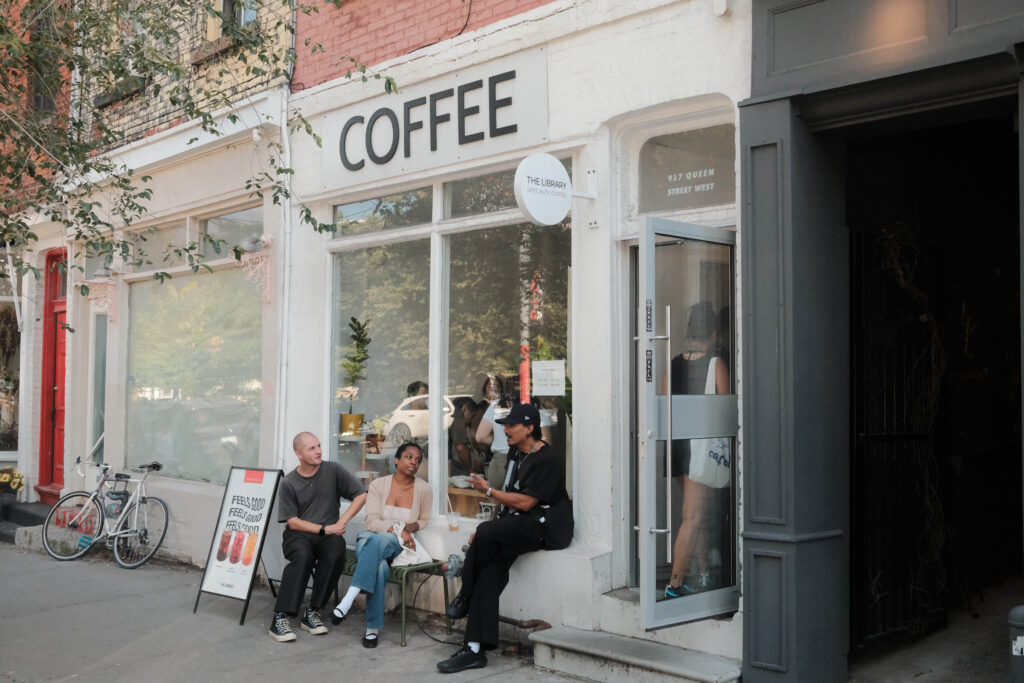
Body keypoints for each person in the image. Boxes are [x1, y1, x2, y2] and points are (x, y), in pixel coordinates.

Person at [436, 403, 569, 674]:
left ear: (530, 428)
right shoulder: (514, 452)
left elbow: (525, 502)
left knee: (485, 536)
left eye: (511, 425)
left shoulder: (547, 459)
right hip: (518, 523)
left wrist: (488, 494)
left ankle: (464, 595)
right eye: (504, 425)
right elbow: (508, 496)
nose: (505, 430)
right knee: (489, 570)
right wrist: (492, 525)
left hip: (546, 528)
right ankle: (474, 649)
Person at [330, 442, 432, 647]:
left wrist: (407, 528)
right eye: (409, 457)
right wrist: (399, 528)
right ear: (396, 459)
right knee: (380, 565)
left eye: (418, 460)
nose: (414, 462)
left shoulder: (423, 489)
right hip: (369, 539)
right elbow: (372, 522)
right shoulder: (378, 485)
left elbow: (424, 520)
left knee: (385, 539)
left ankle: (348, 600)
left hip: (395, 545)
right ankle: (371, 629)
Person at [268, 432, 367, 642]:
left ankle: (313, 611)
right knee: (302, 557)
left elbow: (361, 495)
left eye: (319, 446)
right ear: (299, 454)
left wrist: (341, 523)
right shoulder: (289, 483)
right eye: (312, 448)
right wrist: (325, 529)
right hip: (298, 536)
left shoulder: (333, 470)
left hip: (328, 535)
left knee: (335, 551)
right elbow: (292, 522)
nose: (318, 451)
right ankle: (280, 617)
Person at [664, 302, 730, 599]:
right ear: (715, 331)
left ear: (690, 330)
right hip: (699, 448)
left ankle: (703, 573)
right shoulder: (716, 364)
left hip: (677, 447)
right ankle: (675, 585)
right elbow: (725, 407)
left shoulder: (673, 363)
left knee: (696, 513)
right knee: (692, 516)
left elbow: (665, 406)